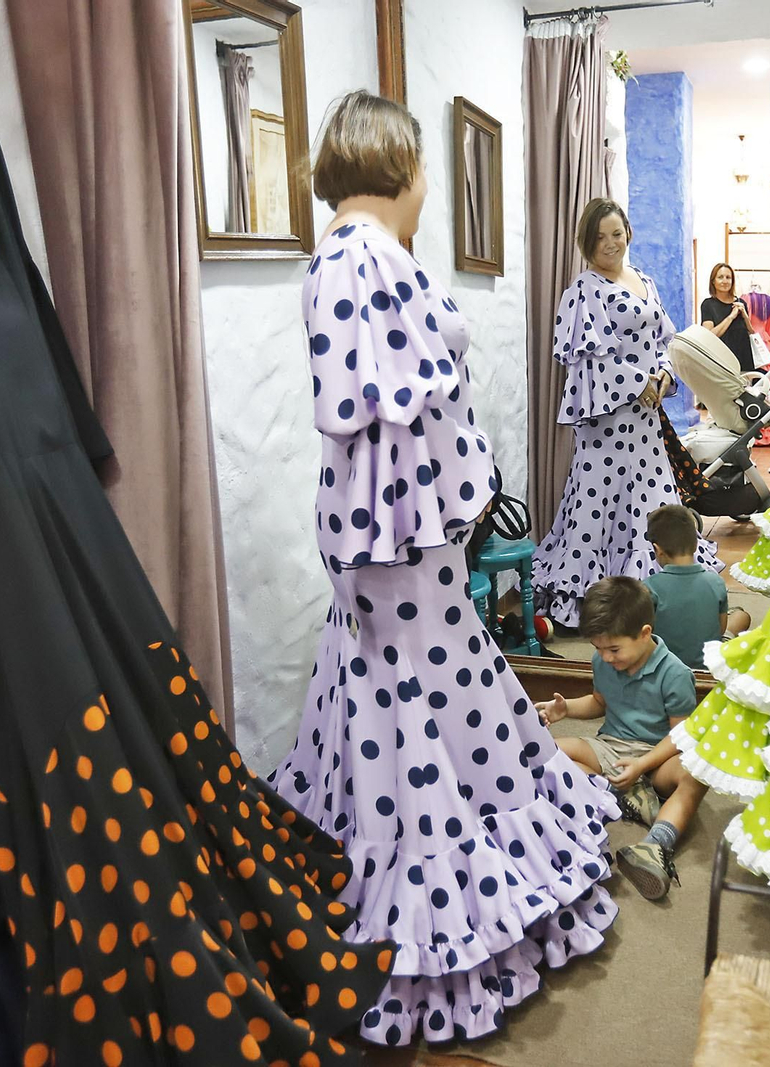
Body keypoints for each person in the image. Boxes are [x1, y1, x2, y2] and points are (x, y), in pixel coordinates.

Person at [269, 91, 621, 1047]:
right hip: (399, 541)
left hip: (387, 537)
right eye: (421, 167)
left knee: (405, 696)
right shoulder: (362, 257)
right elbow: (386, 408)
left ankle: (423, 859)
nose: (426, 186)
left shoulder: (348, 259)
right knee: (418, 701)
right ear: (398, 167)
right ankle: (433, 902)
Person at [532, 197, 721, 628]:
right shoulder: (583, 290)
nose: (610, 243)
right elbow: (588, 361)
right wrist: (642, 383)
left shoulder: (645, 281)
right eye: (599, 237)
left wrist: (665, 377)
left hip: (647, 425)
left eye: (616, 233)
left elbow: (666, 343)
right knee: (598, 505)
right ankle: (596, 601)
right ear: (586, 243)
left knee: (652, 506)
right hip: (607, 424)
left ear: (628, 233)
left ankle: (660, 595)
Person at [535, 577, 711, 902]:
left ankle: (655, 844)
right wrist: (565, 710)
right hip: (611, 747)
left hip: (658, 756)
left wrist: (643, 763)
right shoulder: (603, 661)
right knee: (550, 753)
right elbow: (600, 703)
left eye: (614, 649)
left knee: (697, 772)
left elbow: (681, 736)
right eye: (598, 648)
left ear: (644, 634)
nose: (606, 657)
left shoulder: (675, 674)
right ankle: (623, 793)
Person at [642, 505, 750, 672]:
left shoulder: (648, 587)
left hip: (665, 668)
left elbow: (644, 638)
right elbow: (719, 630)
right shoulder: (716, 582)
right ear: (696, 545)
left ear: (657, 549)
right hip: (710, 665)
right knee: (741, 616)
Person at [700, 262, 756, 373]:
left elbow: (752, 333)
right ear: (713, 281)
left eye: (728, 277)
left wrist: (745, 316)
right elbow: (708, 336)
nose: (725, 281)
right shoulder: (708, 304)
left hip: (744, 364)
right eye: (720, 277)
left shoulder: (741, 303)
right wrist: (731, 317)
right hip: (720, 364)